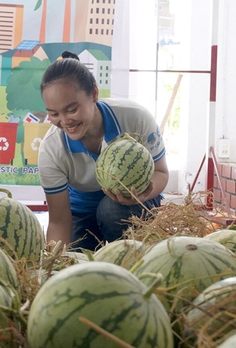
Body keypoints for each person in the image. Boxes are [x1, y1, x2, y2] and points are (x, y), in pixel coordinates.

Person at [37, 51, 169, 252]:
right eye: (54, 114)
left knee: (111, 210)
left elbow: (161, 172)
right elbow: (59, 221)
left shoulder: (135, 118)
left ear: (94, 93)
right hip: (81, 210)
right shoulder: (51, 149)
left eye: (72, 110)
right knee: (77, 265)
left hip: (132, 204)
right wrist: (54, 265)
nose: (64, 121)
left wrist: (141, 196)